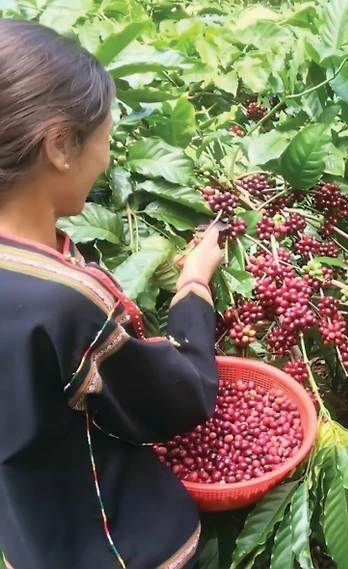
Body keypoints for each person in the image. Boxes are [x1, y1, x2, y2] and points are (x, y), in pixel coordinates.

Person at [0, 19, 222, 569]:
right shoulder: (67, 302)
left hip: (34, 537)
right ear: (59, 145)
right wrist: (194, 286)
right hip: (124, 549)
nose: (107, 157)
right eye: (104, 138)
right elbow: (178, 399)